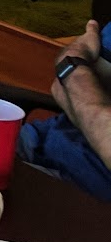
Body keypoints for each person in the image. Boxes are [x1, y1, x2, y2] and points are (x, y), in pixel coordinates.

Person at [18, 18, 111, 200]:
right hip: (39, 143)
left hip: (81, 192)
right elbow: (60, 88)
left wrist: (74, 61)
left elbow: (71, 78)